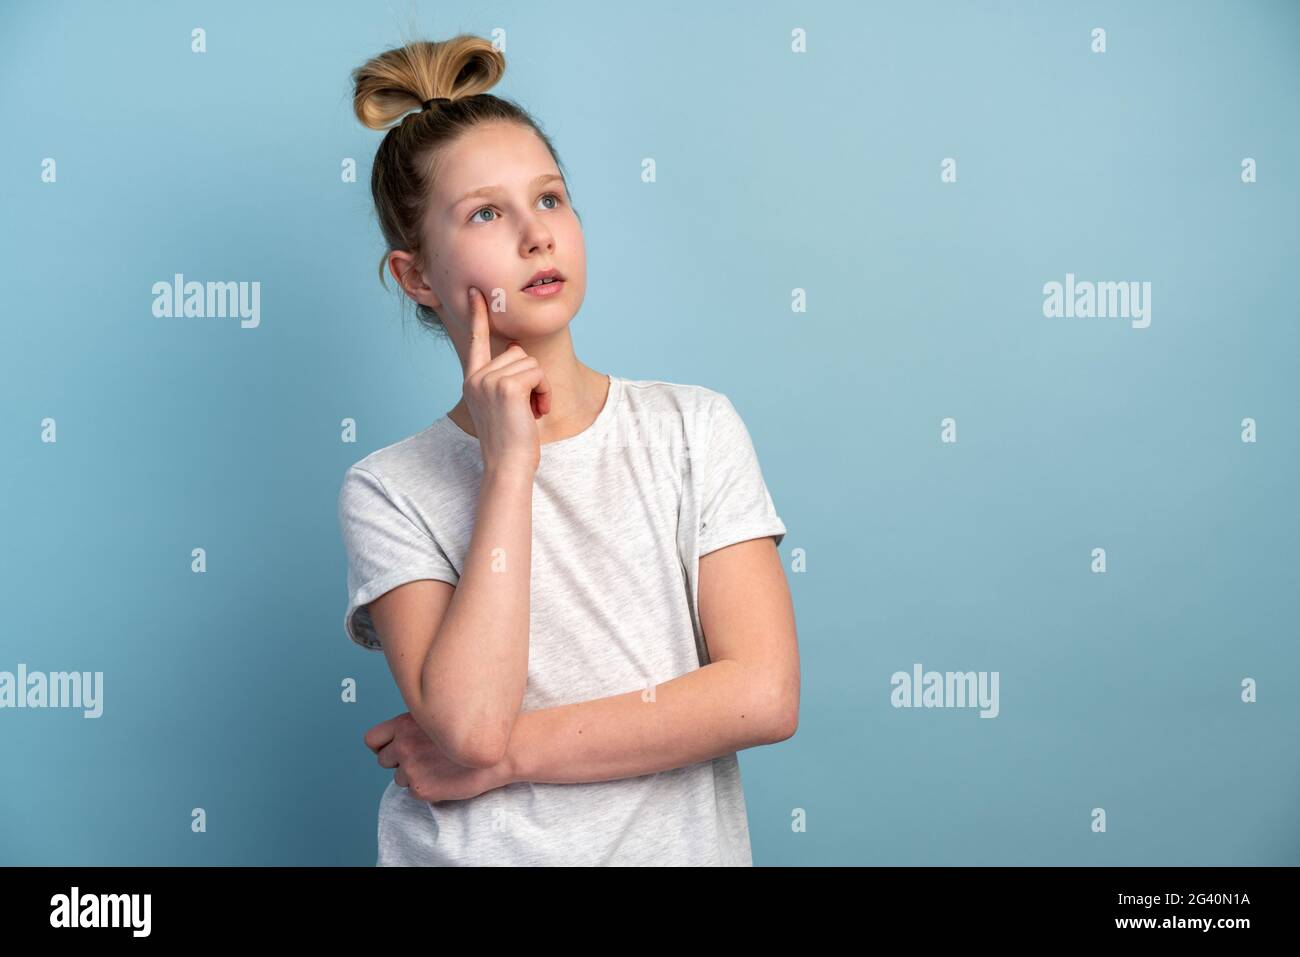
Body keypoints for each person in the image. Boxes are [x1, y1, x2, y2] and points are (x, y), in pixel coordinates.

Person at [338, 34, 799, 866]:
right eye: (486, 213)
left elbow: (761, 694)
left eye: (549, 199)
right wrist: (510, 466)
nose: (535, 235)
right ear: (415, 277)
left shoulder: (693, 429)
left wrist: (510, 755)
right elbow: (471, 723)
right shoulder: (389, 489)